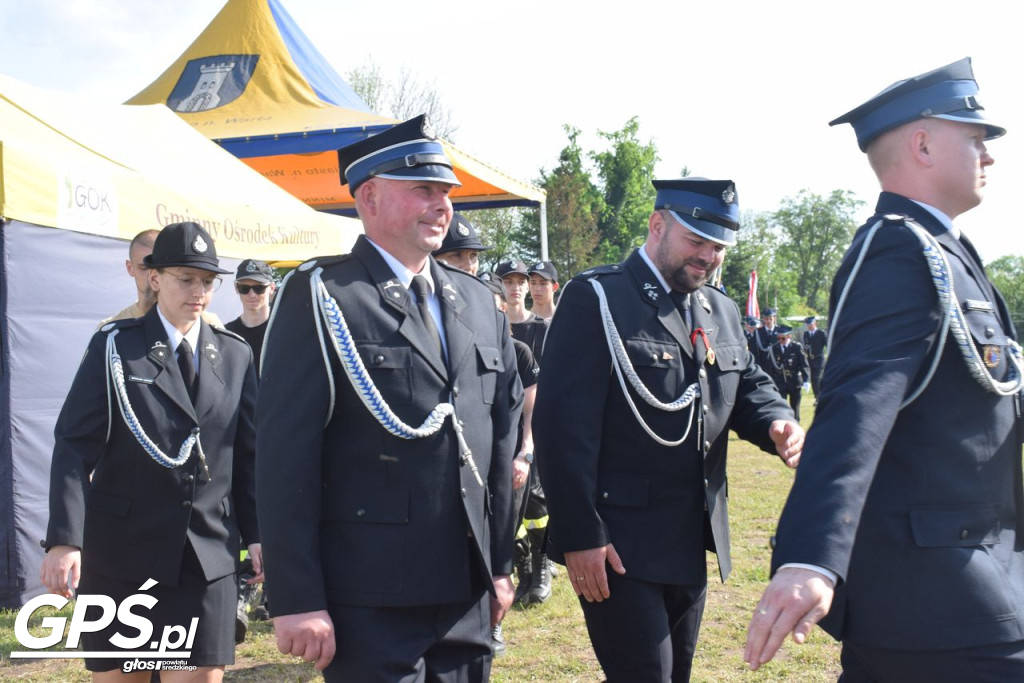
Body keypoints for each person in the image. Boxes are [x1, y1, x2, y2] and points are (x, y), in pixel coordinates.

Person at [745, 58, 1024, 682]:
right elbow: (855, 408)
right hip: (940, 599)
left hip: (973, 579)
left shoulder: (948, 249)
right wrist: (811, 558)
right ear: (922, 144)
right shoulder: (899, 248)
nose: (991, 154)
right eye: (975, 138)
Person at [255, 115, 524, 682]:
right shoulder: (325, 294)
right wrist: (296, 596)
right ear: (369, 196)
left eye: (446, 192)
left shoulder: (477, 302)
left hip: (466, 591)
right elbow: (285, 457)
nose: (442, 205)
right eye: (423, 189)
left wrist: (500, 565)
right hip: (369, 596)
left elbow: (497, 445)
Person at [534, 177, 805, 682]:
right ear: (657, 225)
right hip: (618, 544)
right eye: (697, 241)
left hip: (689, 537)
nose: (709, 257)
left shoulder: (717, 308)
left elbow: (746, 383)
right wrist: (580, 534)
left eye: (718, 247)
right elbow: (561, 427)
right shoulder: (597, 298)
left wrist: (778, 422)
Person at [41, 221, 261, 681]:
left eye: (206, 281)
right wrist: (65, 538)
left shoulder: (234, 354)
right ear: (155, 278)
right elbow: (74, 446)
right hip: (123, 554)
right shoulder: (116, 346)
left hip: (208, 554)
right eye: (186, 278)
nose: (198, 291)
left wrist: (259, 534)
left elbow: (247, 455)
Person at [100, 228, 224, 329]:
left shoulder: (209, 324)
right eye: (144, 268)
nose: (152, 276)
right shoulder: (112, 330)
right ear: (130, 268)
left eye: (207, 281)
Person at [224, 259, 276, 375]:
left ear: (271, 288)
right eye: (244, 288)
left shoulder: (282, 329)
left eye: (259, 288)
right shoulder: (227, 334)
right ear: (236, 288)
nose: (252, 294)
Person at [770, 325, 808, 422]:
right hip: (780, 381)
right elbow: (771, 366)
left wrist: (806, 380)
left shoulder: (796, 347)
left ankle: (795, 425)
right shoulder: (774, 348)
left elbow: (803, 364)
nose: (780, 340)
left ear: (789, 336)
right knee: (780, 406)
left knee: (795, 407)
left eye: (783, 338)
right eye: (778, 338)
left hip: (794, 380)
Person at [802, 315, 827, 399]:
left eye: (810, 324)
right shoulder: (806, 334)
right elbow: (805, 347)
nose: (809, 326)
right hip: (810, 360)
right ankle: (817, 397)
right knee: (812, 380)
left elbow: (827, 345)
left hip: (819, 359)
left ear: (815, 323)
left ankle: (820, 397)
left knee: (817, 378)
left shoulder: (821, 333)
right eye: (807, 324)